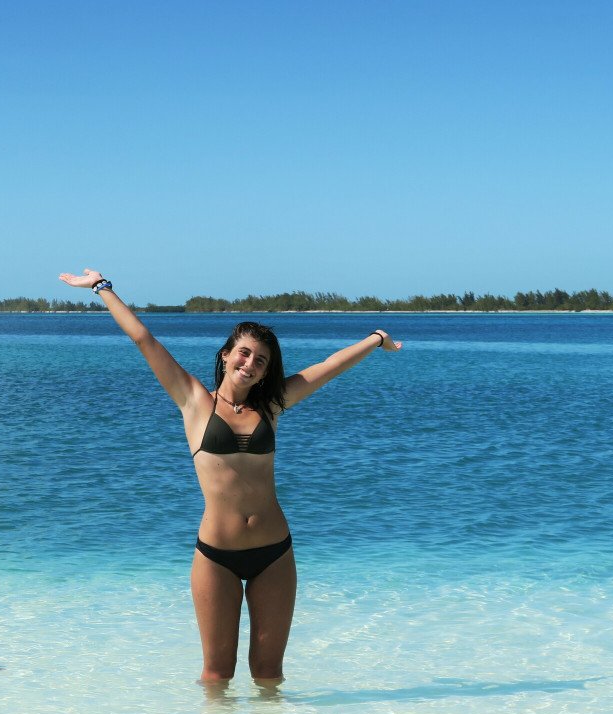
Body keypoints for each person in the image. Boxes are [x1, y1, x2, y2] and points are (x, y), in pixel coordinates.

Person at [58, 269, 402, 685]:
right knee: (217, 675)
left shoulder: (272, 406)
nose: (250, 363)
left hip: (274, 552)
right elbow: (144, 340)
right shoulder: (193, 400)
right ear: (225, 354)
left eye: (260, 360)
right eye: (243, 353)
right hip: (215, 556)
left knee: (269, 675)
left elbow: (327, 368)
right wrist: (101, 287)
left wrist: (376, 338)